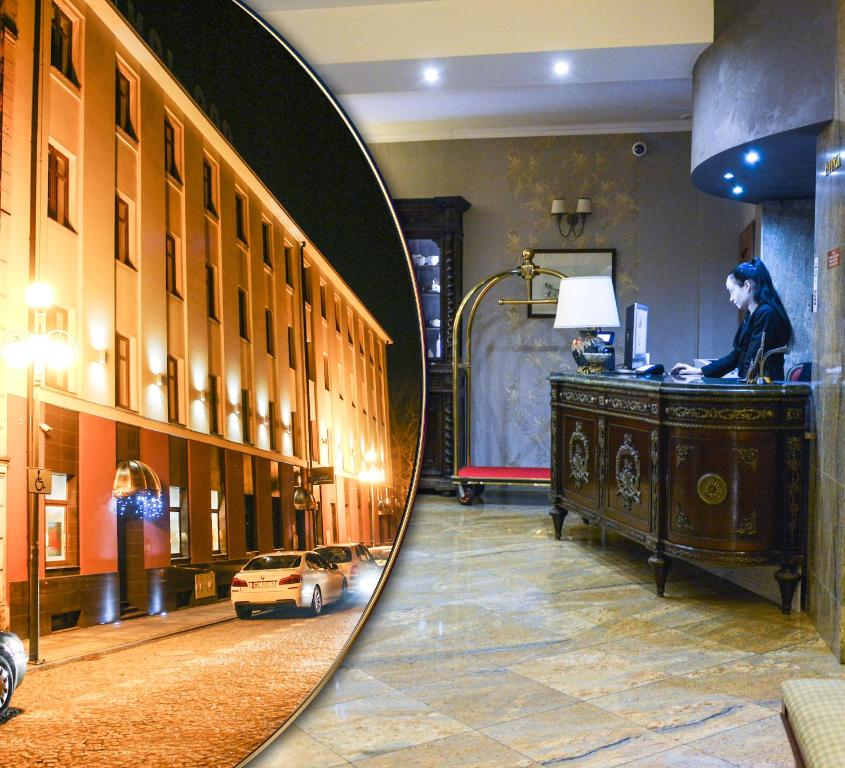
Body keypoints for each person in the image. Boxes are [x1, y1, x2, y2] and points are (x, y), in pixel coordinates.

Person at [671, 259, 793, 380]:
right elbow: (736, 355)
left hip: (766, 390)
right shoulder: (752, 314)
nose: (731, 298)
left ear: (747, 286)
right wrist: (699, 371)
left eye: (732, 291)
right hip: (755, 386)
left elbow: (753, 358)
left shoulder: (766, 313)